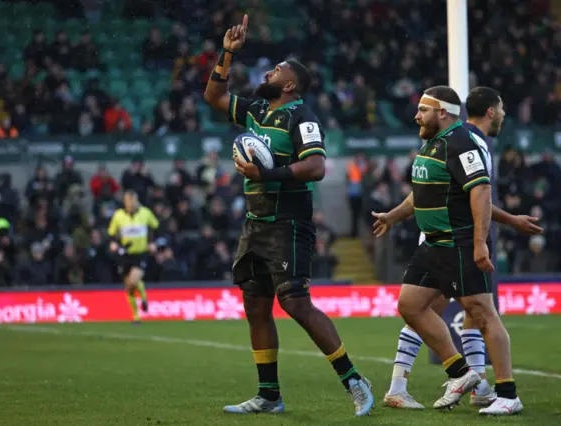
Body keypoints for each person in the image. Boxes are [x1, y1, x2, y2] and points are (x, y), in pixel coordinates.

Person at [203, 14, 374, 417]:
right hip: (255, 222)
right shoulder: (256, 110)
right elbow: (213, 96)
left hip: (288, 223)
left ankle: (354, 380)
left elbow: (315, 167)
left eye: (278, 70)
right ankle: (269, 396)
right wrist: (227, 52)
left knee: (295, 303)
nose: (270, 71)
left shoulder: (303, 117)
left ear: (291, 85)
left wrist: (266, 173)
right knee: (256, 305)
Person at [379, 87, 543, 410]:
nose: (416, 115)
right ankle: (462, 373)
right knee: (410, 305)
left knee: (481, 313)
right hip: (434, 244)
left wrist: (481, 241)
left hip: (458, 242)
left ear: (442, 112)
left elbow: (480, 192)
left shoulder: (462, 142)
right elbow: (422, 194)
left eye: (422, 109)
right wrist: (393, 216)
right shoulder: (433, 145)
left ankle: (508, 396)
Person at [107, 191, 158, 324]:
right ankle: (136, 316)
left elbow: (155, 227)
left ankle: (144, 297)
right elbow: (112, 233)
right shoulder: (118, 215)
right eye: (128, 201)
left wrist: (152, 242)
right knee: (128, 286)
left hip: (140, 253)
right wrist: (114, 243)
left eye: (132, 200)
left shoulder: (145, 213)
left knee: (133, 280)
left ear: (137, 201)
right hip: (125, 254)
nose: (130, 203)